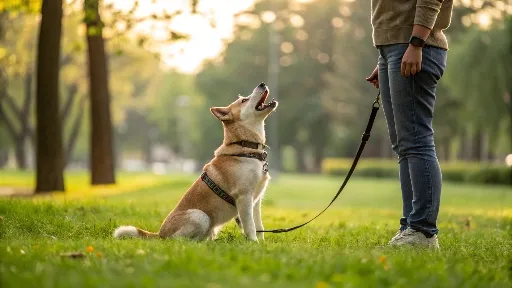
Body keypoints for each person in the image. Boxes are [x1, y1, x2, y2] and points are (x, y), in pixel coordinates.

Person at [365, 0, 453, 249]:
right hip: (395, 48)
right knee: (404, 146)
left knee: (416, 142)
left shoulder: (415, 43)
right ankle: (410, 228)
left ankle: (423, 230)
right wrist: (386, 55)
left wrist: (416, 43)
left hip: (415, 45)